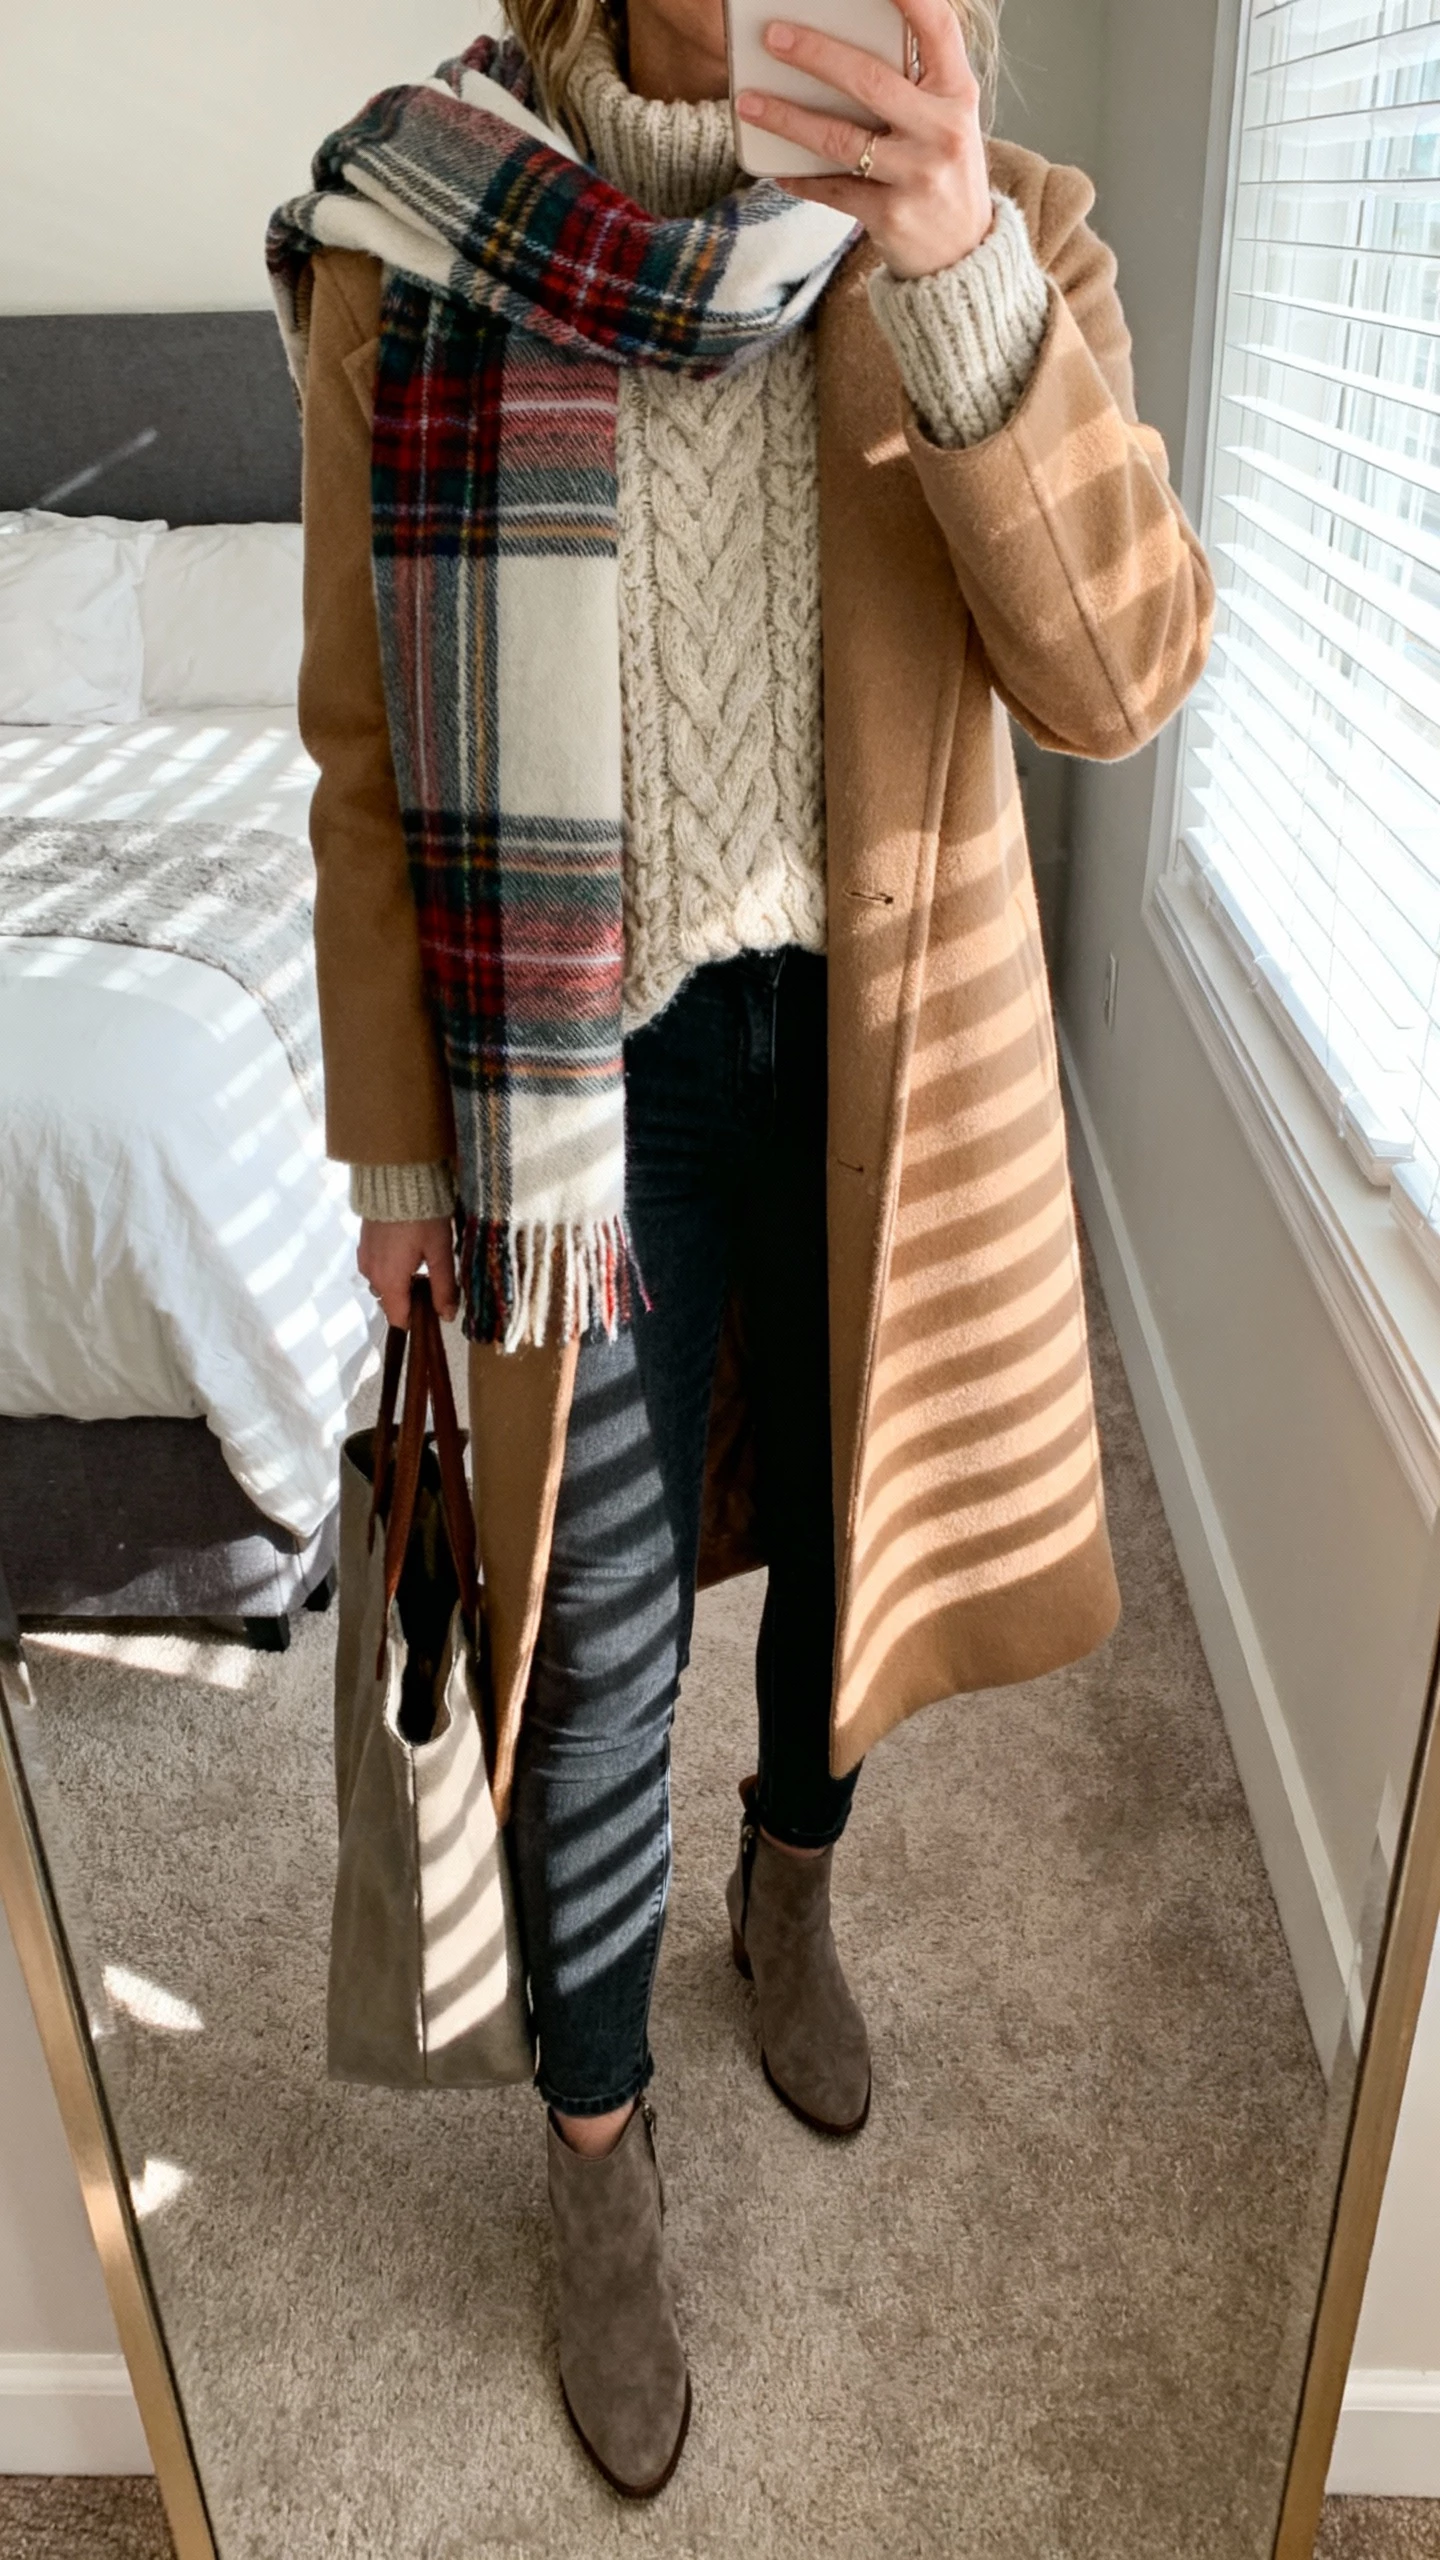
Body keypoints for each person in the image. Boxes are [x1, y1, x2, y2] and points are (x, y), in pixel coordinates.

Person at [272, 0, 1211, 2498]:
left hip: (890, 1048)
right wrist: (392, 1165)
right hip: (572, 1088)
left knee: (850, 1541)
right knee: (586, 1648)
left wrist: (956, 267)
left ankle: (790, 1887)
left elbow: (1119, 678)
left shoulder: (998, 224)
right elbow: (361, 741)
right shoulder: (420, 211)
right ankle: (596, 2158)